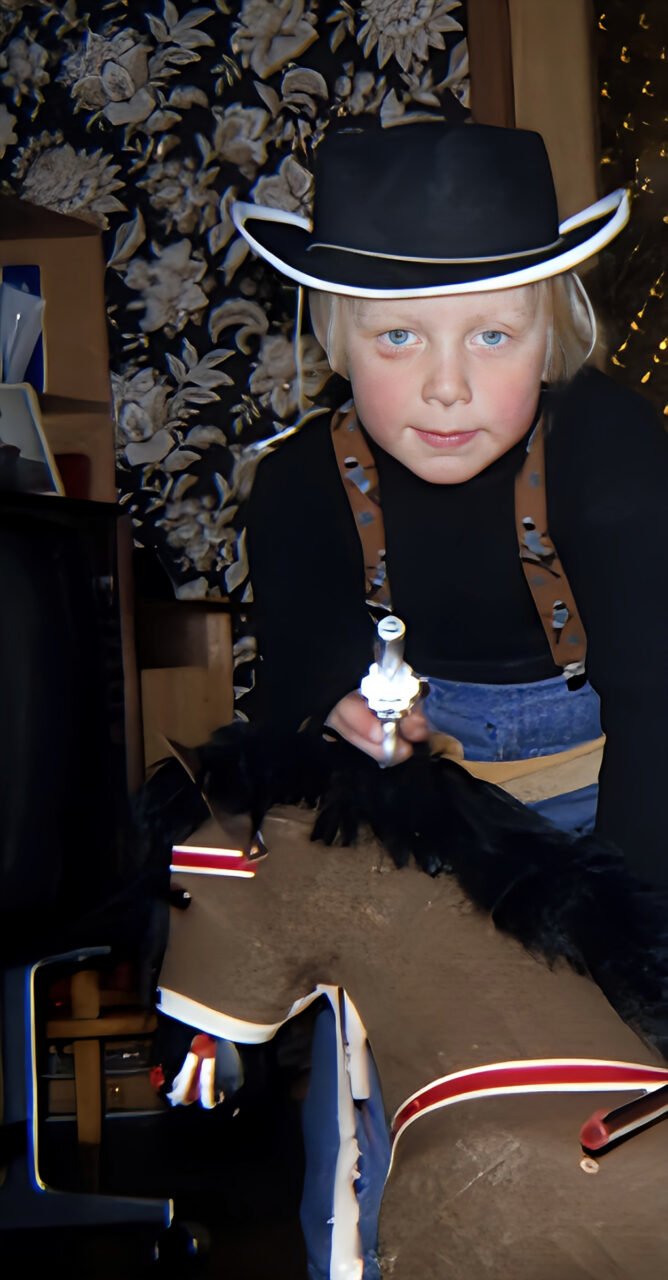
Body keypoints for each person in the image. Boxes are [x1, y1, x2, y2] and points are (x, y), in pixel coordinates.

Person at [160, 123, 668, 1280]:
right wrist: (338, 725)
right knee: (378, 1072)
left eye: (490, 334)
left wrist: (626, 946)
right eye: (398, 336)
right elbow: (293, 707)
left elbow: (656, 702)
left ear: (551, 335)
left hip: (627, 776)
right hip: (425, 807)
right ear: (336, 338)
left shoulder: (610, 444)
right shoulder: (298, 483)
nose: (445, 384)